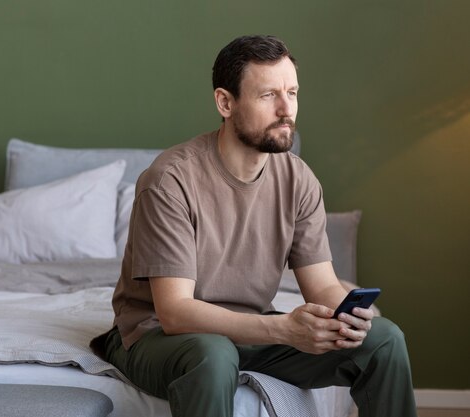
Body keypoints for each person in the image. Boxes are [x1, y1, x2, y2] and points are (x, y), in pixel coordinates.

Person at [91, 35, 417, 417]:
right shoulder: (170, 180)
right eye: (268, 96)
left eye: (292, 93)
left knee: (384, 339)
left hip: (250, 332)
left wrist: (349, 316)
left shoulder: (299, 179)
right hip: (159, 337)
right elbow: (175, 312)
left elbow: (322, 286)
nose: (286, 109)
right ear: (225, 103)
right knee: (212, 353)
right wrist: (281, 330)